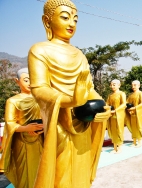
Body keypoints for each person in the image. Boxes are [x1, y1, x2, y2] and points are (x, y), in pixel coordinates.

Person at [27, 0, 111, 187]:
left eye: (75, 19)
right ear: (47, 21)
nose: (71, 23)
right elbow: (39, 90)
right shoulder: (39, 50)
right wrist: (70, 100)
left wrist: (100, 106)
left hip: (82, 124)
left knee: (80, 173)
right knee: (61, 175)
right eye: (65, 17)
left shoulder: (79, 55)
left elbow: (88, 89)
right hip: (60, 126)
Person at [0, 68, 44, 188]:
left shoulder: (41, 99)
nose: (30, 83)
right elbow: (10, 123)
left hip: (40, 140)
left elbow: (48, 116)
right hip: (22, 142)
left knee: (41, 169)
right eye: (26, 80)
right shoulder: (13, 101)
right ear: (17, 81)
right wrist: (26, 128)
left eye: (32, 80)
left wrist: (43, 127)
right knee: (24, 172)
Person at [106, 79, 126, 153]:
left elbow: (124, 104)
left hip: (118, 115)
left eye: (114, 84)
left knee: (119, 131)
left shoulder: (121, 93)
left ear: (119, 85)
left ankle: (120, 147)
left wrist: (116, 110)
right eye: (111, 85)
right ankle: (114, 147)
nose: (112, 86)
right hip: (111, 116)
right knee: (112, 130)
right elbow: (107, 104)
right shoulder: (110, 95)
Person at [125, 80, 142, 147]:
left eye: (135, 85)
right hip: (131, 113)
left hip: (138, 113)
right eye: (132, 85)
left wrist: (134, 108)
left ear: (139, 86)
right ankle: (134, 142)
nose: (133, 86)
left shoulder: (141, 93)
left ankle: (139, 141)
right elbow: (126, 102)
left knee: (139, 126)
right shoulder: (131, 95)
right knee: (133, 127)